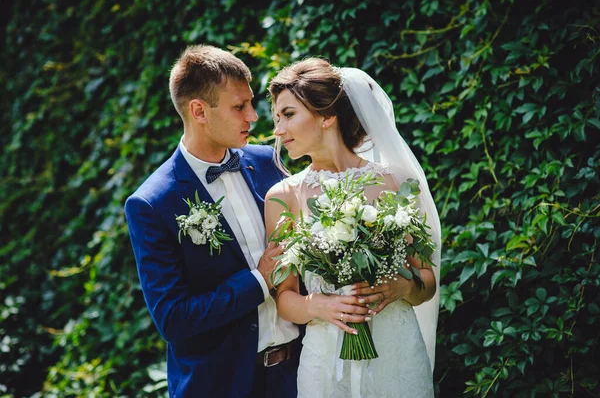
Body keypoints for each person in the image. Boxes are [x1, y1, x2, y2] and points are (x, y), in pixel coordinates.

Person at [124, 45, 300, 398]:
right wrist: (258, 281)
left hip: (300, 373)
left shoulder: (269, 162)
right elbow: (174, 319)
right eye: (239, 107)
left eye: (251, 103)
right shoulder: (153, 203)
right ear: (199, 111)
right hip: (223, 385)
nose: (253, 117)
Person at [264, 58, 442, 398]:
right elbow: (284, 298)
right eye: (276, 118)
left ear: (327, 116)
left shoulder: (396, 181)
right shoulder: (284, 196)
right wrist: (317, 305)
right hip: (325, 359)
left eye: (288, 114)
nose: (278, 130)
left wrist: (403, 288)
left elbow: (427, 281)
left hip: (397, 351)